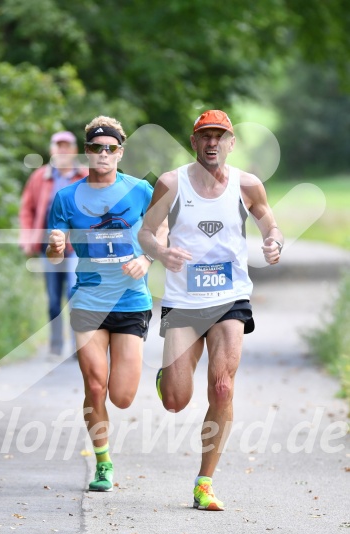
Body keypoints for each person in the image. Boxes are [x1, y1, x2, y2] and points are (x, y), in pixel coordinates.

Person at [138, 109, 284, 511]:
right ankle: (168, 376)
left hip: (230, 297)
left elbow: (270, 224)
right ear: (194, 142)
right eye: (206, 136)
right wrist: (161, 251)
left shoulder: (248, 185)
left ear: (231, 143)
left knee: (222, 386)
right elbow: (146, 233)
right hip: (184, 302)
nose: (213, 143)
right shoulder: (171, 183)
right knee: (175, 400)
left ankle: (205, 482)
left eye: (220, 136)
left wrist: (274, 241)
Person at [46, 115, 159, 492]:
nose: (103, 154)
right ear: (87, 151)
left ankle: (157, 377)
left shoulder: (140, 189)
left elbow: (162, 230)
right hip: (89, 301)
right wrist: (56, 246)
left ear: (120, 152)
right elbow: (54, 255)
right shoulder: (65, 198)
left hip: (130, 299)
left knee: (122, 397)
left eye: (110, 149)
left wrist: (147, 258)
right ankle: (103, 462)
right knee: (95, 388)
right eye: (96, 148)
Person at [19, 131, 88, 357]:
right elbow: (27, 209)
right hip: (48, 248)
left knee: (73, 292)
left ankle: (77, 346)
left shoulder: (86, 175)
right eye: (59, 146)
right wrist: (28, 237)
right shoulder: (40, 177)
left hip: (76, 247)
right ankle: (56, 344)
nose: (63, 150)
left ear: (73, 149)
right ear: (52, 150)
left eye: (67, 146)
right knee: (52, 298)